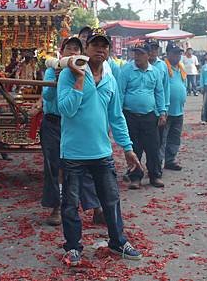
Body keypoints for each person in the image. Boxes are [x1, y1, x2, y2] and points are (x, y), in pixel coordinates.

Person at [57, 27, 143, 266]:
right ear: (86, 48)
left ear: (109, 50)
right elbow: (65, 109)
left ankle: (117, 241)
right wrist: (80, 77)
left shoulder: (110, 78)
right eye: (95, 44)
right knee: (70, 204)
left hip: (102, 152)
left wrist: (127, 148)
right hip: (73, 153)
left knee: (111, 200)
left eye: (104, 45)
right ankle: (73, 247)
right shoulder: (68, 74)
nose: (100, 49)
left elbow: (116, 117)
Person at [40, 36, 104, 226]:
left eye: (77, 49)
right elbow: (47, 95)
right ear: (62, 53)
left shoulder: (85, 71)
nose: (73, 53)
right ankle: (56, 206)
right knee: (54, 166)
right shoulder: (53, 70)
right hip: (53, 122)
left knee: (84, 165)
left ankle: (95, 207)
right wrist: (59, 76)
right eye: (70, 49)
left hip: (75, 124)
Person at [118, 41, 166, 189]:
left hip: (150, 115)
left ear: (148, 55)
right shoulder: (126, 70)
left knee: (153, 147)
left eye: (140, 54)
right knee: (135, 147)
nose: (137, 56)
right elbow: (120, 93)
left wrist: (162, 112)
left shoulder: (155, 72)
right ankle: (135, 178)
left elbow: (159, 92)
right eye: (135, 53)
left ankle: (154, 176)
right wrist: (118, 114)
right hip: (130, 115)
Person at [162, 42, 186, 170]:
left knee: (175, 138)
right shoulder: (162, 67)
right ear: (168, 54)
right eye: (175, 53)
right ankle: (157, 164)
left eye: (179, 53)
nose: (178, 56)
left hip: (178, 110)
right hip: (166, 111)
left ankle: (170, 160)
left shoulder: (181, 68)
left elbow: (184, 85)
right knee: (162, 139)